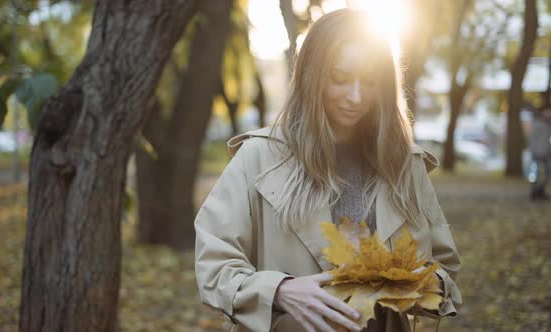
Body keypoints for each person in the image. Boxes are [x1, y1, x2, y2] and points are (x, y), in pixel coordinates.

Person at [194, 9, 461, 332]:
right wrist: (279, 291)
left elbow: (443, 269)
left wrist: (411, 286)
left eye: (370, 82)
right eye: (340, 78)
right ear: (312, 75)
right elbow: (215, 264)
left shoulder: (404, 164)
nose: (356, 96)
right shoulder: (259, 157)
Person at [528, 102, 551, 201]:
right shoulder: (537, 123)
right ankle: (535, 192)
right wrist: (534, 151)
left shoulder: (548, 124)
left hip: (547, 153)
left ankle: (541, 190)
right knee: (536, 174)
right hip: (537, 153)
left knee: (547, 173)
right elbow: (532, 139)